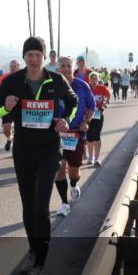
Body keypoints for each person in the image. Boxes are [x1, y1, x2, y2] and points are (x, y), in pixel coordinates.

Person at [0, 37, 77, 275]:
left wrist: (65, 120)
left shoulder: (55, 80)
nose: (32, 59)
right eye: (28, 54)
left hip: (49, 149)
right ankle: (32, 249)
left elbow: (72, 103)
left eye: (37, 55)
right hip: (23, 150)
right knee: (28, 204)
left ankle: (39, 265)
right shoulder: (13, 81)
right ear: (24, 57)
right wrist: (4, 107)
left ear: (43, 57)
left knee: (41, 207)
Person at [54, 56, 95, 216]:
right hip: (58, 134)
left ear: (73, 68)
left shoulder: (82, 86)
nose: (65, 69)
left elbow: (91, 107)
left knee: (73, 171)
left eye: (68, 66)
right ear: (58, 68)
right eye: (62, 66)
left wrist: (87, 121)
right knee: (59, 168)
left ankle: (73, 183)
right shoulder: (52, 86)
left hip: (77, 134)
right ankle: (64, 203)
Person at [86, 72, 110, 166]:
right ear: (89, 79)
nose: (94, 80)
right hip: (88, 115)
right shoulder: (87, 88)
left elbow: (108, 95)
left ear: (98, 79)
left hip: (98, 114)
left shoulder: (102, 88)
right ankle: (90, 157)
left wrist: (106, 102)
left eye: (96, 78)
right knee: (89, 136)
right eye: (92, 78)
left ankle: (96, 158)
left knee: (96, 136)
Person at [0, 59, 21, 152]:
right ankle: (9, 139)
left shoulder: (24, 77)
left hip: (20, 107)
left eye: (15, 66)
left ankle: (17, 147)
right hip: (7, 106)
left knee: (20, 129)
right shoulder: (4, 77)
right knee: (6, 129)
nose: (12, 68)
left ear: (18, 67)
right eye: (11, 66)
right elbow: (0, 92)